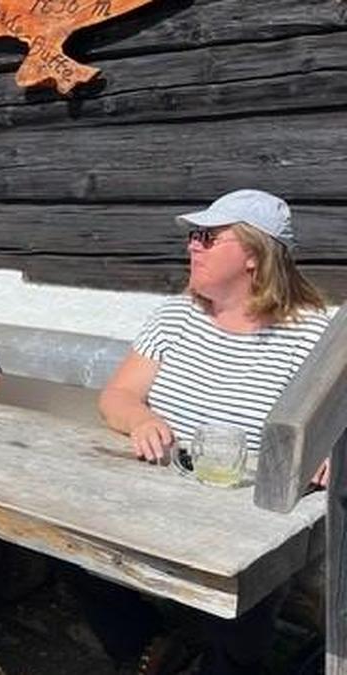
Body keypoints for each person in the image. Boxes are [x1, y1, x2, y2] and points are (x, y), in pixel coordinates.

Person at [86, 189, 331, 674]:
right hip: (155, 490)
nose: (192, 245)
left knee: (237, 612)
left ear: (255, 258)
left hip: (246, 514)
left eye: (208, 237)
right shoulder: (175, 317)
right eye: (193, 236)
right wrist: (141, 419)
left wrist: (332, 448)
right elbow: (116, 396)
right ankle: (147, 646)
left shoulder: (311, 333)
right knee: (74, 546)